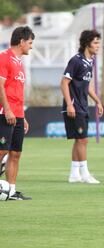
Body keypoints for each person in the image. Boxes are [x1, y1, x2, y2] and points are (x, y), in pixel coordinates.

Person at [60, 30, 104, 184]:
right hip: (74, 107)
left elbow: (88, 87)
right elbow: (64, 83)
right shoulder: (76, 61)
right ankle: (85, 174)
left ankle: (74, 174)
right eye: (95, 43)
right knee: (83, 140)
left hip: (83, 106)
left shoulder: (89, 62)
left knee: (79, 140)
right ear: (87, 44)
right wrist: (70, 104)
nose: (98, 46)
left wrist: (98, 101)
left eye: (99, 42)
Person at [0, 26, 34, 200]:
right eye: (30, 42)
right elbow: (0, 86)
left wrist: (23, 116)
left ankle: (11, 191)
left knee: (15, 153)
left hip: (18, 114)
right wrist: (7, 109)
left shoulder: (19, 62)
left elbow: (16, 91)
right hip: (5, 113)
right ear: (21, 42)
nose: (31, 46)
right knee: (1, 151)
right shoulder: (4, 57)